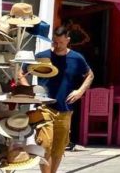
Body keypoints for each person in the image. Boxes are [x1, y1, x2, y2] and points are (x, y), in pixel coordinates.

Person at [21, 26, 93, 173]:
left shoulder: (77, 58)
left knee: (59, 148)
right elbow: (21, 73)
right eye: (54, 42)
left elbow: (90, 75)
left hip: (66, 110)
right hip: (45, 107)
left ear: (68, 40)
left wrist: (80, 91)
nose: (57, 45)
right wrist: (31, 92)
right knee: (45, 144)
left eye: (60, 42)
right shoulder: (42, 56)